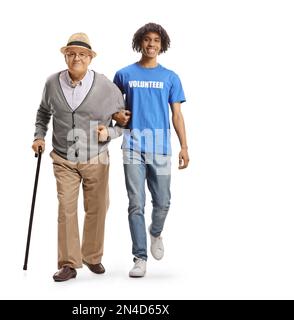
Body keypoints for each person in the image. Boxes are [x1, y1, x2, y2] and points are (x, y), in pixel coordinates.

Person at [32, 33, 127, 282]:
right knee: (66, 208)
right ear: (65, 56)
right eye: (72, 53)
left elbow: (126, 121)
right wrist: (39, 136)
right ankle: (68, 263)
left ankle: (92, 256)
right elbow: (43, 112)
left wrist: (110, 132)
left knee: (97, 208)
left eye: (82, 54)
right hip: (63, 158)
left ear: (90, 58)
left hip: (96, 156)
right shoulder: (52, 83)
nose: (77, 58)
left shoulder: (106, 87)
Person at [113, 23, 189, 277]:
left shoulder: (170, 77)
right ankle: (140, 257)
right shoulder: (124, 75)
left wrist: (184, 146)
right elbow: (111, 107)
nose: (152, 44)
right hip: (132, 146)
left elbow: (177, 115)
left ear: (162, 44)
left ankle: (155, 232)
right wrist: (116, 117)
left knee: (163, 202)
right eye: (147, 40)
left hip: (161, 147)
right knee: (136, 203)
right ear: (139, 43)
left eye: (156, 40)